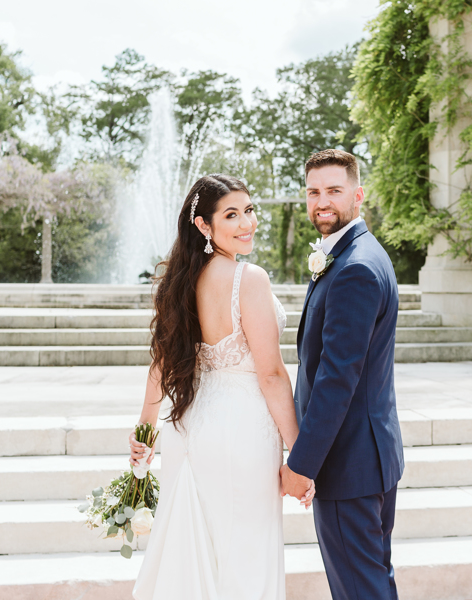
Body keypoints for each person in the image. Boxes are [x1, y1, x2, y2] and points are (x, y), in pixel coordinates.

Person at [130, 174, 314, 600]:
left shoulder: (180, 281)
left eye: (249, 210)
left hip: (190, 428)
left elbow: (161, 360)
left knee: (195, 552)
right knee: (246, 557)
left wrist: (145, 429)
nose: (246, 223)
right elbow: (270, 374)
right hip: (242, 431)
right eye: (231, 215)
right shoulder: (248, 279)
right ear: (203, 226)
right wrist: (298, 455)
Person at [280, 150, 404, 600]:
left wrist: (302, 464)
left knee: (360, 589)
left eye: (334, 190)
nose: (322, 202)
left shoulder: (354, 268)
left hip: (348, 464)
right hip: (368, 459)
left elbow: (337, 380)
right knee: (370, 582)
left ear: (358, 193)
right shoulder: (359, 254)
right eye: (314, 192)